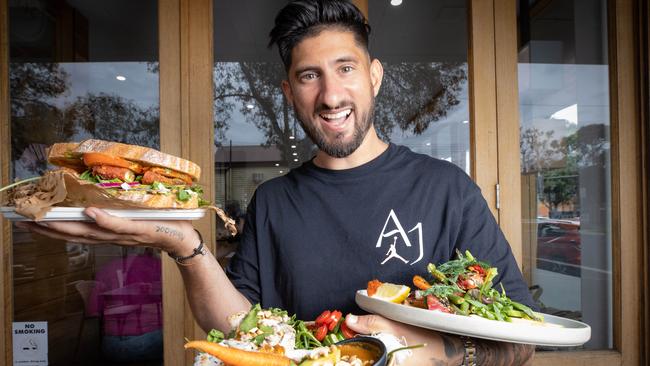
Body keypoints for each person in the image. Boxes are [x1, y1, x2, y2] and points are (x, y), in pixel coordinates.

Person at [17, 1, 535, 364]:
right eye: (310, 76)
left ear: (374, 76)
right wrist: (183, 245)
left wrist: (426, 357)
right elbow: (240, 326)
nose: (331, 95)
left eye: (345, 68)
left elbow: (522, 337)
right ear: (289, 92)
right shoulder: (274, 201)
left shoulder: (447, 189)